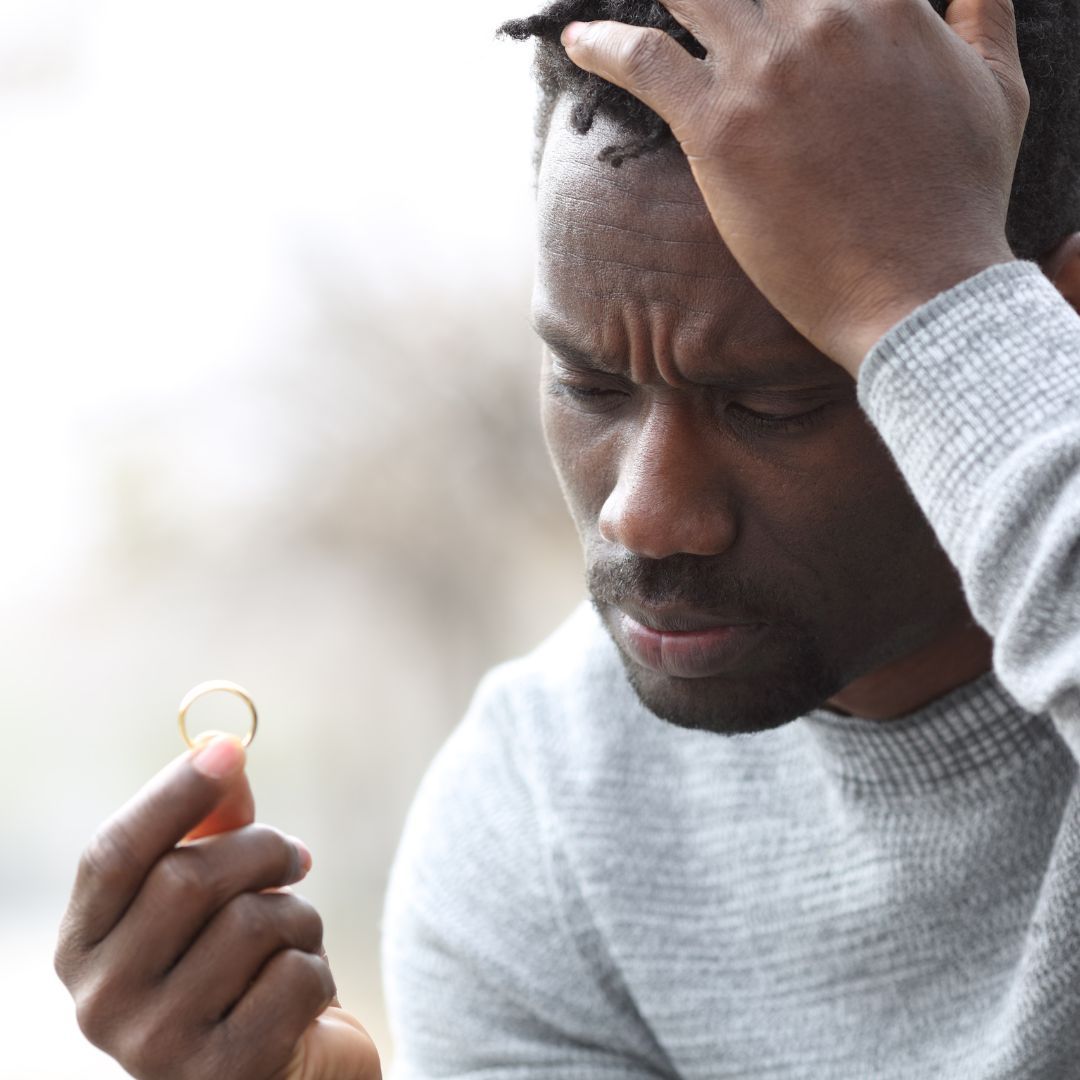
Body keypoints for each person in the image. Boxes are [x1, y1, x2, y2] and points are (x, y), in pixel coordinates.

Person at [54, 0, 1080, 1074]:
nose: (644, 512)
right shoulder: (544, 820)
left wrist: (930, 286)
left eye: (774, 405)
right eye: (590, 384)